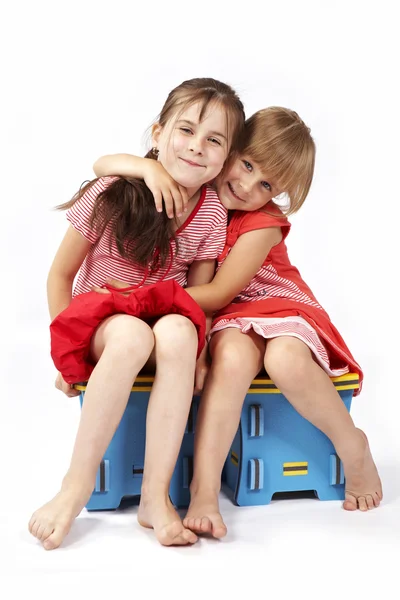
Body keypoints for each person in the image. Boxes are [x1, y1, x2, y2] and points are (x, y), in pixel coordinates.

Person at [92, 106, 382, 539]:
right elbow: (101, 166)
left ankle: (353, 446)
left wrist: (137, 300)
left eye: (266, 183)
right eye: (246, 164)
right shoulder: (192, 183)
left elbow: (219, 293)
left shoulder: (262, 223)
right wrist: (145, 170)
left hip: (275, 305)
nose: (246, 186)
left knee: (284, 358)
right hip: (224, 320)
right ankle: (205, 491)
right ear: (228, 148)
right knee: (229, 356)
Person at [28, 77, 246, 550]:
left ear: (225, 157)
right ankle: (74, 487)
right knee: (131, 335)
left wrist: (203, 358)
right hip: (104, 325)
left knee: (178, 333)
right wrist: (66, 360)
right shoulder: (113, 190)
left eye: (213, 139)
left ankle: (155, 497)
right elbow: (59, 276)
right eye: (186, 130)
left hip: (162, 325)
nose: (196, 147)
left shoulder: (211, 213)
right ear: (157, 132)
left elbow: (198, 299)